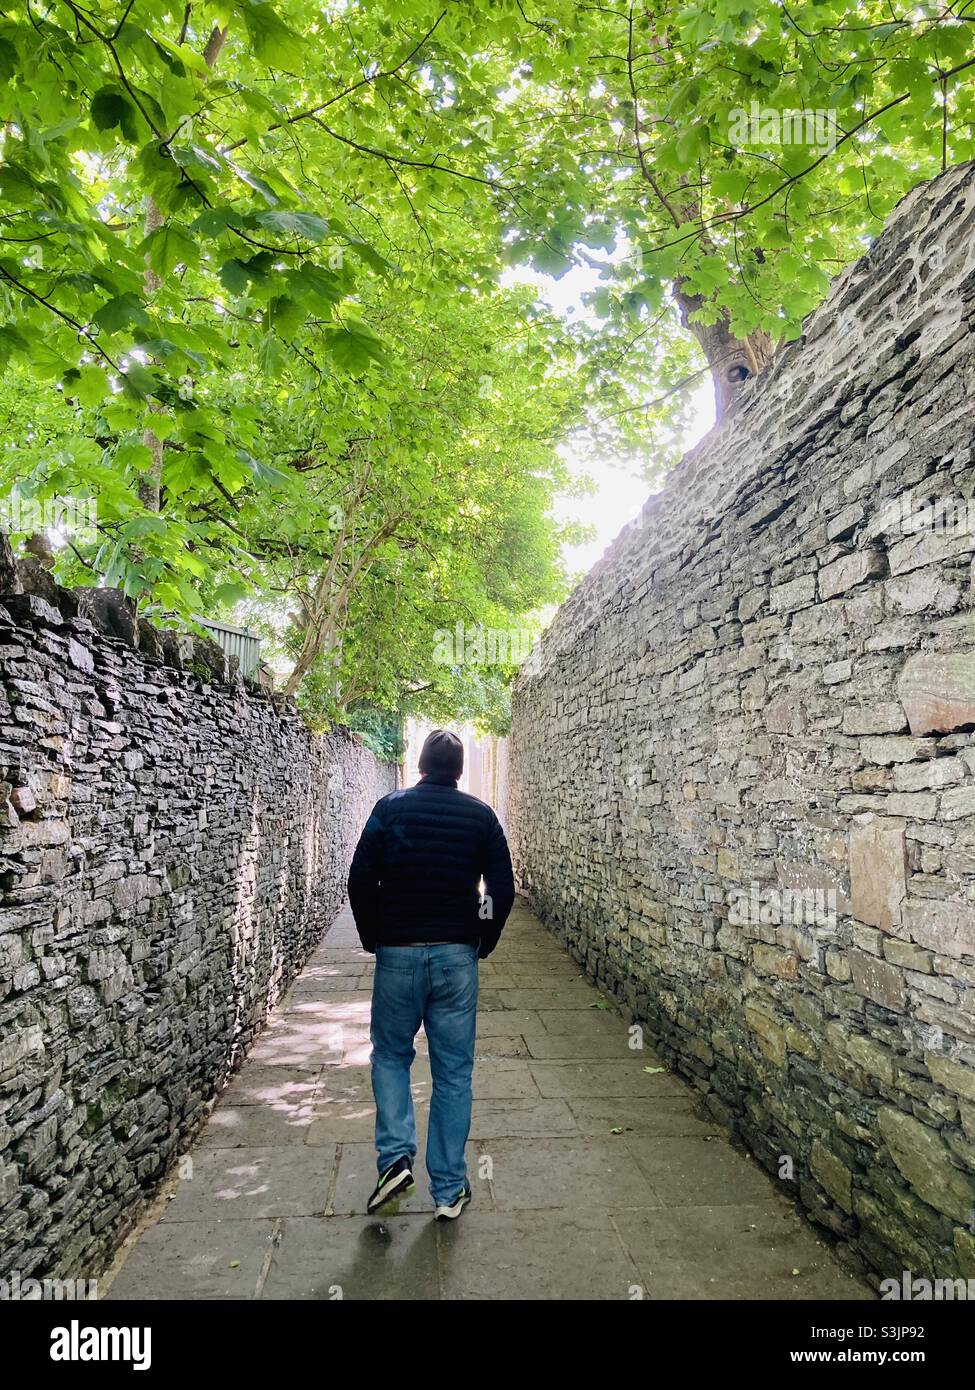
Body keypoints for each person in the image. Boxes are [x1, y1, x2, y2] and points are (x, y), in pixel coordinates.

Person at [347, 729, 514, 1220]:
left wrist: (372, 934)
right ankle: (448, 1189)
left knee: (392, 1057)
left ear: (420, 764)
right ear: (459, 770)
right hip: (456, 958)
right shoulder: (481, 817)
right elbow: (499, 888)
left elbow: (360, 878)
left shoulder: (389, 808)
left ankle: (396, 1158)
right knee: (454, 1072)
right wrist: (483, 935)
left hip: (397, 954)